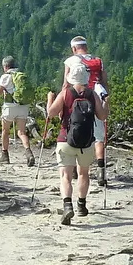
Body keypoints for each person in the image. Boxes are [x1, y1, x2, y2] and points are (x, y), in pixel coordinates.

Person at [46, 60, 109, 225]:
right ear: (87, 78)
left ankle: (68, 205)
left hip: (65, 140)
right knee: (83, 174)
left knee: (65, 176)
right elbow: (102, 116)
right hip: (87, 142)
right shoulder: (91, 94)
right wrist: (106, 102)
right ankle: (81, 205)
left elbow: (51, 113)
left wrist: (49, 99)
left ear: (70, 77)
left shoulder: (66, 93)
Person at [48, 35, 110, 186]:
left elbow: (65, 84)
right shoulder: (98, 61)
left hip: (75, 99)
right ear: (86, 47)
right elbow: (104, 81)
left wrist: (61, 102)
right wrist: (105, 101)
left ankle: (74, 168)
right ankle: (101, 171)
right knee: (99, 136)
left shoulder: (70, 61)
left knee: (74, 127)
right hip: (95, 97)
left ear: (74, 48)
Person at [0, 56, 35, 166]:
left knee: (5, 131)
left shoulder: (5, 76)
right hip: (23, 106)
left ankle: (5, 155)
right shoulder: (21, 75)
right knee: (21, 132)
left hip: (9, 107)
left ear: (5, 66)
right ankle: (28, 153)